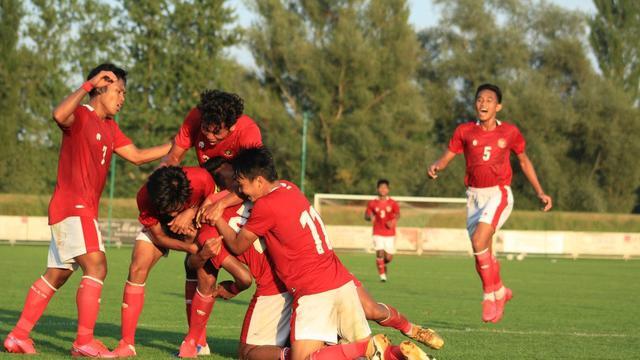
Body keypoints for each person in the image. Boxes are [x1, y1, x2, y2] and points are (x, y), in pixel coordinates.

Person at [199, 157, 443, 359]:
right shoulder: (288, 187)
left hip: (313, 289)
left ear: (260, 180)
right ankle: (398, 353)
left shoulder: (265, 206)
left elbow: (237, 244)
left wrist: (217, 216)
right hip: (337, 277)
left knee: (305, 358)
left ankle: (367, 347)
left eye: (242, 185)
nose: (240, 191)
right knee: (365, 328)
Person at [3, 63, 171, 356]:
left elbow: (138, 156)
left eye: (124, 94)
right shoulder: (81, 114)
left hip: (74, 210)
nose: (122, 98)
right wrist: (87, 85)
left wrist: (178, 145)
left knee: (57, 274)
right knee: (97, 266)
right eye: (119, 91)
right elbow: (58, 115)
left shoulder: (110, 127)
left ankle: (18, 336)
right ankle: (83, 341)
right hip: (73, 207)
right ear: (101, 87)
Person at [427, 83, 552, 323]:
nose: (483, 103)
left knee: (478, 240)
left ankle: (488, 295)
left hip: (499, 193)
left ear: (498, 106)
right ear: (475, 104)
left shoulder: (510, 133)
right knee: (481, 252)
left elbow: (524, 161)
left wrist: (540, 191)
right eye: (479, 99)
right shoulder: (464, 131)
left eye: (489, 100)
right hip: (474, 196)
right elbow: (448, 155)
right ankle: (501, 292)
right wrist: (436, 167)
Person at [160, 90, 263, 354]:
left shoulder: (249, 132)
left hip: (240, 199)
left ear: (233, 126)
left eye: (218, 133)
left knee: (210, 262)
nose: (209, 137)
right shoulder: (195, 118)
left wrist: (211, 204)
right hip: (211, 199)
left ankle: (195, 340)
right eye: (207, 129)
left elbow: (251, 182)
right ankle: (197, 341)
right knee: (196, 266)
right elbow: (173, 157)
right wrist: (170, 195)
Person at [111, 166, 251, 357]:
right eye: (167, 211)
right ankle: (126, 343)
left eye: (175, 210)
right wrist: (191, 249)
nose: (172, 216)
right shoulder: (144, 197)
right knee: (137, 267)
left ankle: (196, 342)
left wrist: (191, 213)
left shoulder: (201, 179)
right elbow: (159, 237)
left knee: (202, 274)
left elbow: (211, 206)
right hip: (162, 231)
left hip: (197, 223)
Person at [365, 179, 400, 282]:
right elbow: (366, 215)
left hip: (390, 233)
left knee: (388, 258)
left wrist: (393, 221)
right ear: (377, 189)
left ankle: (382, 264)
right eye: (381, 187)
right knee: (379, 252)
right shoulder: (372, 203)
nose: (383, 190)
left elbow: (398, 214)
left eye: (385, 188)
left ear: (388, 190)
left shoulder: (393, 203)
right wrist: (369, 217)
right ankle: (382, 276)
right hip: (377, 232)